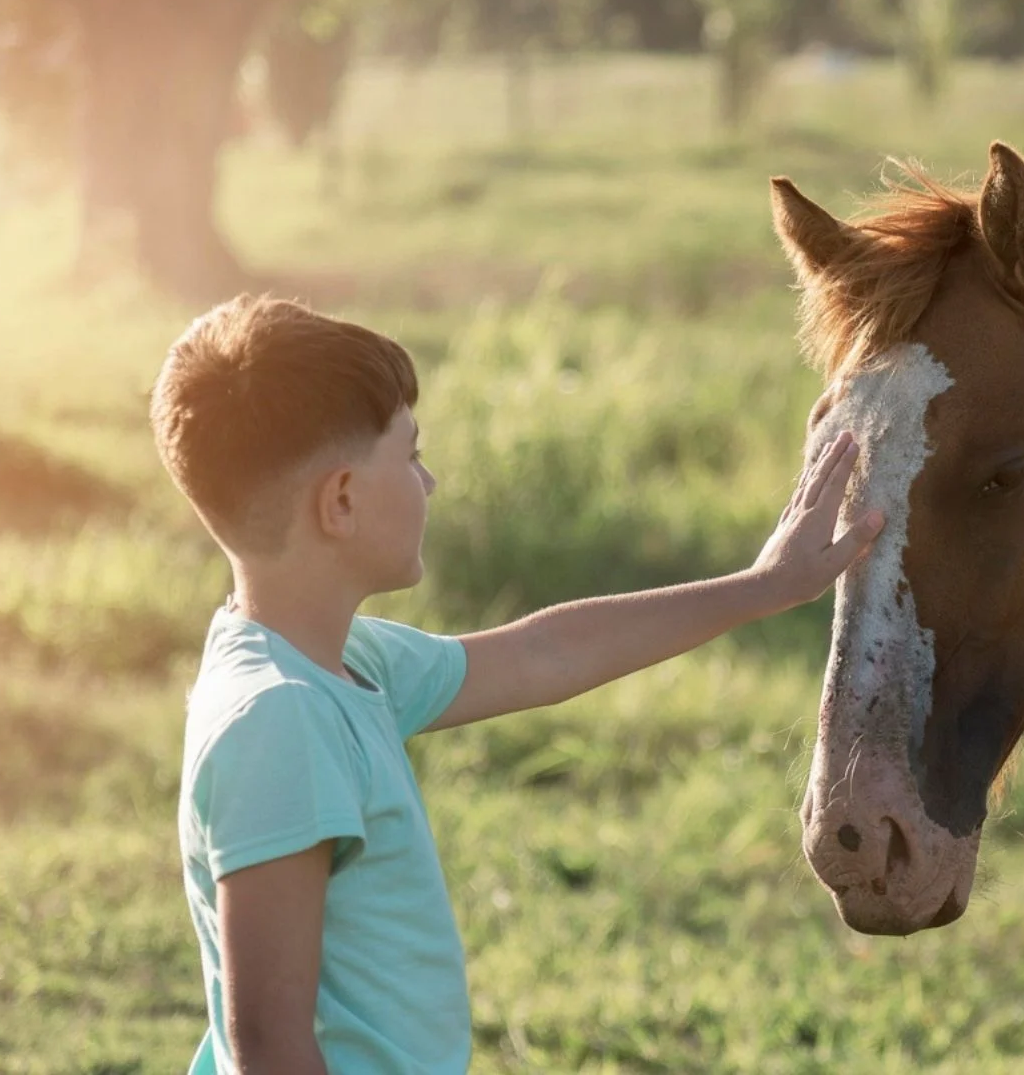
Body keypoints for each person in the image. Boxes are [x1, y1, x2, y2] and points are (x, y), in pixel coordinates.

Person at [149, 294, 882, 1074]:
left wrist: (765, 587)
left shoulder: (339, 660)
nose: (428, 482)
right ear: (341, 501)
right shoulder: (279, 722)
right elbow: (268, 1042)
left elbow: (545, 655)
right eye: (409, 455)